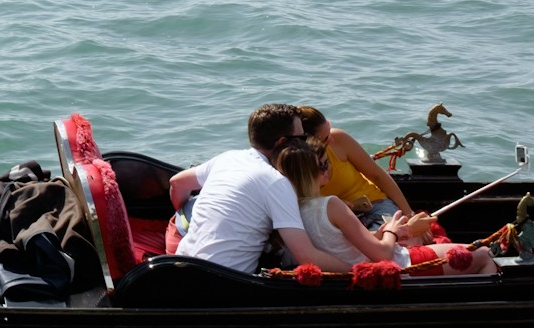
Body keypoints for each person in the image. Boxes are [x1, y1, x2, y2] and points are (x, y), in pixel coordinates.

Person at [168, 104, 347, 274]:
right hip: (223, 280)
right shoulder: (277, 182)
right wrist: (356, 269)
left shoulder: (228, 158)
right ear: (282, 142)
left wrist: (184, 211)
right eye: (301, 138)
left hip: (181, 266)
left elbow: (177, 183)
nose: (306, 144)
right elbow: (306, 256)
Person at [276, 140, 496, 275]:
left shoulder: (291, 210)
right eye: (325, 164)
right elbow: (382, 254)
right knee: (485, 254)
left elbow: (334, 243)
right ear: (313, 174)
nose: (329, 168)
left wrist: (378, 234)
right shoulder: (332, 204)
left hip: (368, 265)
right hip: (400, 267)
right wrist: (392, 231)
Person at [296, 105, 416, 230]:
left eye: (329, 128)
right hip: (334, 217)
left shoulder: (338, 139)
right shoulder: (294, 166)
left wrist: (409, 215)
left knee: (394, 233)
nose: (331, 139)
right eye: (325, 139)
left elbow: (378, 176)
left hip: (373, 205)